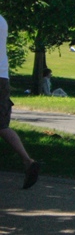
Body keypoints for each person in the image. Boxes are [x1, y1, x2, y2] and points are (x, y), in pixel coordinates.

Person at [0, 13, 41, 189]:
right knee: (2, 126)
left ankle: (27, 161)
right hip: (2, 78)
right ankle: (27, 161)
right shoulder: (2, 20)